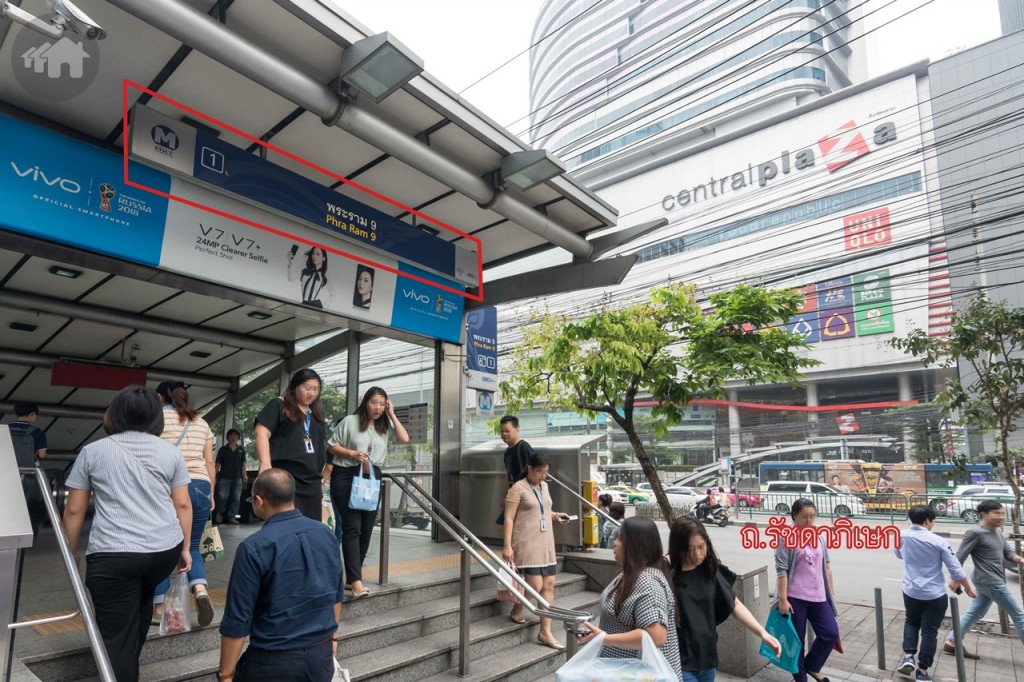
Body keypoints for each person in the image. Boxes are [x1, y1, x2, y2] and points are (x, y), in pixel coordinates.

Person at [62, 386, 192, 682]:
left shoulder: (93, 451)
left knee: (115, 638)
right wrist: (185, 549)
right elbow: (183, 503)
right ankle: (128, 665)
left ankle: (122, 670)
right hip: (162, 552)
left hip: (114, 556)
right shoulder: (171, 452)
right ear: (156, 417)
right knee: (141, 602)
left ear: (115, 413)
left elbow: (73, 511)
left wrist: (70, 552)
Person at [217, 469, 344, 682]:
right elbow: (335, 595)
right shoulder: (326, 535)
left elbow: (237, 620)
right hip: (320, 657)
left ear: (259, 501)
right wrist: (332, 638)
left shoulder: (253, 547)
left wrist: (226, 675)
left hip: (272, 662)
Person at [670, 517, 781, 681]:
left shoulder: (710, 571)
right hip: (681, 662)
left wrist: (763, 633)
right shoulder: (668, 577)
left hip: (708, 660)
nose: (697, 555)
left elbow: (733, 604)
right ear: (678, 548)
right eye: (689, 549)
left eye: (701, 547)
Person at [325, 386, 409, 599]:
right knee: (352, 527)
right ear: (365, 402)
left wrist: (392, 414)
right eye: (374, 402)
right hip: (346, 475)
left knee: (367, 527)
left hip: (372, 477)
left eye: (382, 404)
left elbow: (404, 439)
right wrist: (352, 453)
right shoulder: (350, 422)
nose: (378, 407)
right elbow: (332, 446)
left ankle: (353, 577)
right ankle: (356, 582)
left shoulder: (384, 426)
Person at [576, 517, 682, 680]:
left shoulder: (647, 582)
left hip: (641, 675)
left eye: (620, 538)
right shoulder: (630, 574)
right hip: (623, 672)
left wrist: (604, 638)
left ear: (635, 545)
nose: (614, 543)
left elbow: (657, 636)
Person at [151, 380, 216, 628]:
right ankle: (199, 589)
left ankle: (159, 606)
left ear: (159, 398)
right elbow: (209, 462)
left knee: (161, 547)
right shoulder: (201, 423)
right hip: (200, 485)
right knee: (193, 547)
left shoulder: (156, 420)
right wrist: (210, 493)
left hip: (167, 486)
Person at [895, 505, 974, 682]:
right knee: (929, 633)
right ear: (927, 521)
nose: (933, 524)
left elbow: (899, 555)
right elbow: (956, 570)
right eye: (933, 521)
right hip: (934, 594)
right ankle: (922, 671)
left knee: (911, 622)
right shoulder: (938, 541)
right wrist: (968, 588)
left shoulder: (900, 535)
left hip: (911, 590)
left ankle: (908, 656)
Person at [502, 453, 572, 648]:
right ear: (530, 469)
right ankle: (517, 607)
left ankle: (545, 631)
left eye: (546, 472)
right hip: (526, 541)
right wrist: (507, 546)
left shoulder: (544, 486)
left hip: (545, 542)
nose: (543, 476)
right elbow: (508, 518)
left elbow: (542, 511)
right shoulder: (517, 488)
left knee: (549, 585)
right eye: (540, 472)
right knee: (535, 585)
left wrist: (557, 516)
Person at [943, 499, 1024, 659]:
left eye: (1002, 513)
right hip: (991, 581)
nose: (1001, 517)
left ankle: (952, 642)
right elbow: (960, 556)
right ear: (983, 514)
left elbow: (1007, 553)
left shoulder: (997, 532)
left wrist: (1020, 559)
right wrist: (955, 578)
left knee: (976, 612)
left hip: (986, 581)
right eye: (997, 513)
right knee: (1019, 616)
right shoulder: (975, 533)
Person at [774, 498, 839, 682]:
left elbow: (827, 565)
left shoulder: (819, 537)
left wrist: (831, 593)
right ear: (794, 516)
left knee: (830, 634)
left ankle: (811, 666)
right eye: (805, 517)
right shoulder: (786, 538)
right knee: (797, 643)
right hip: (795, 599)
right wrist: (783, 599)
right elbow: (782, 571)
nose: (809, 521)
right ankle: (800, 678)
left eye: (812, 517)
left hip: (819, 597)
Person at [254, 368, 328, 521]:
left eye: (316, 389)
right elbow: (261, 433)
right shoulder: (279, 405)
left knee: (309, 528)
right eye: (307, 388)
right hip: (286, 480)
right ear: (295, 386)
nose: (312, 393)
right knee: (286, 525)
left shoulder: (315, 414)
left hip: (312, 482)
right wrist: (265, 464)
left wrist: (321, 478)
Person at [215, 429, 247, 525]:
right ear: (228, 437)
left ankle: (232, 517)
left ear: (238, 438)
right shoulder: (222, 450)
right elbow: (217, 464)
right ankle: (219, 513)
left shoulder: (241, 449)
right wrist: (214, 476)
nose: (233, 437)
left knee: (236, 498)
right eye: (231, 435)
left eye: (235, 435)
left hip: (238, 478)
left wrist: (245, 474)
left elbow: (244, 463)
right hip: (224, 477)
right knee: (222, 496)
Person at [499, 415, 534, 487]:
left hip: (525, 494)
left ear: (517, 429)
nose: (503, 434)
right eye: (502, 431)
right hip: (514, 494)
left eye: (507, 431)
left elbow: (533, 475)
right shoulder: (507, 452)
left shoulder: (524, 447)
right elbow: (508, 476)